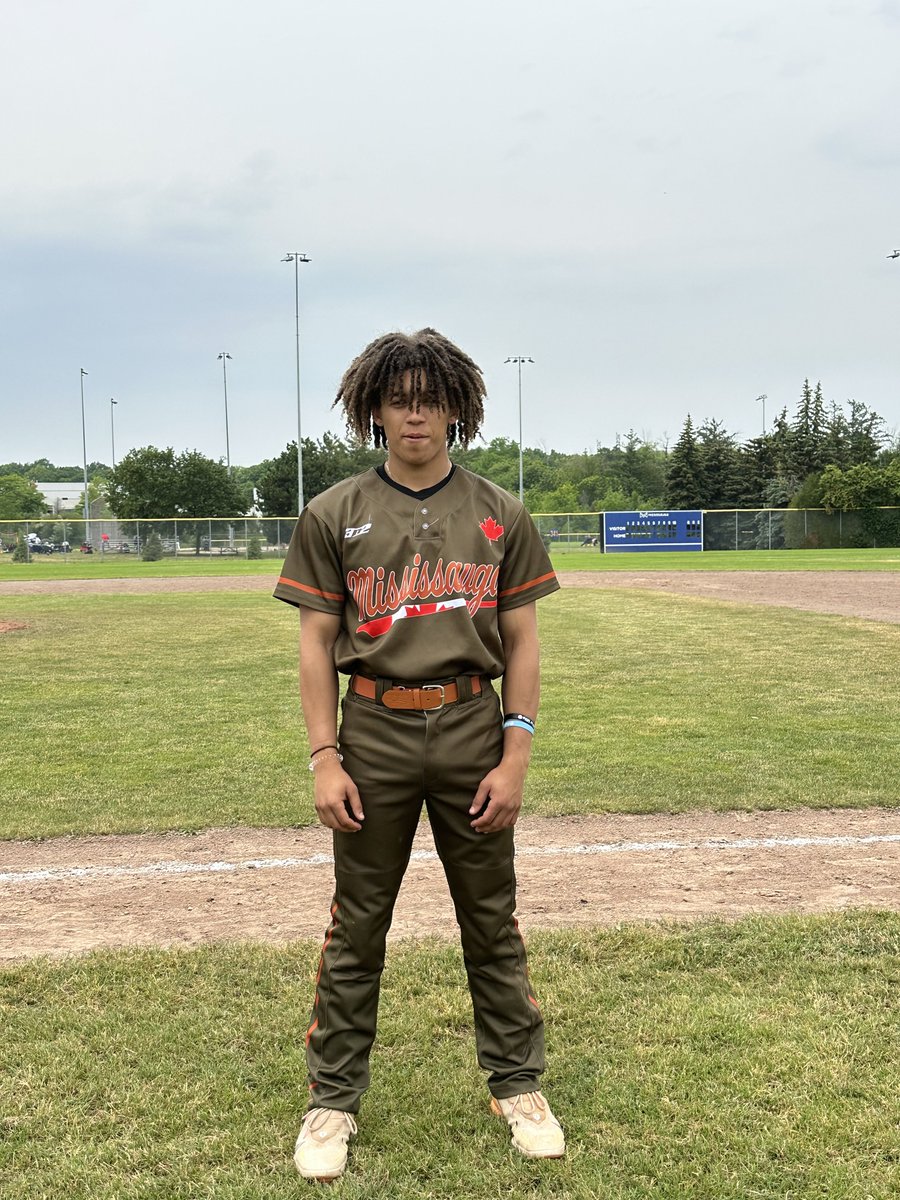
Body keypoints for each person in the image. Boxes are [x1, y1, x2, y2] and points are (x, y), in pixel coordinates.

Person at [274, 328, 565, 1182]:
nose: (414, 412)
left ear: (456, 408)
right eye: (399, 397)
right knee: (358, 924)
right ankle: (333, 1100)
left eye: (430, 398)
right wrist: (325, 756)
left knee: (492, 920)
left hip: (474, 727)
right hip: (374, 732)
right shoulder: (332, 512)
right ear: (374, 407)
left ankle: (518, 1086)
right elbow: (314, 644)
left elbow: (523, 640)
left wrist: (517, 751)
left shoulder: (499, 511)